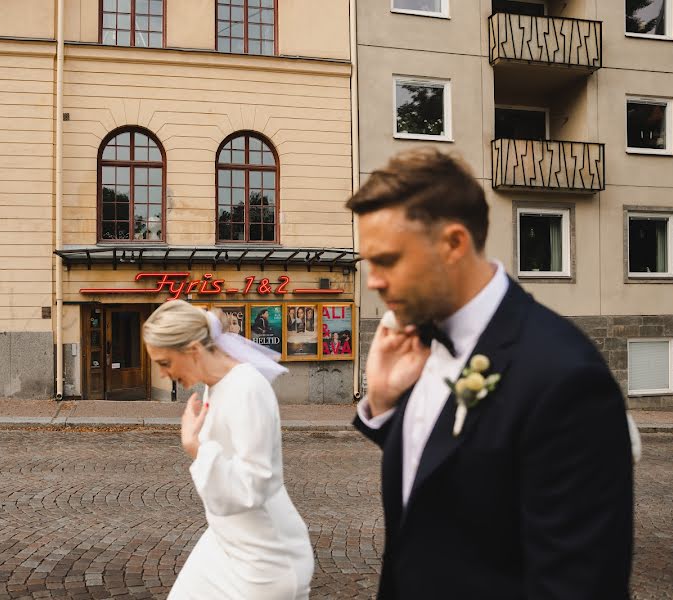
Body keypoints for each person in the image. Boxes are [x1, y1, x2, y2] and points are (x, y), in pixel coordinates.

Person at [349, 148, 633, 599]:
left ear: (454, 244)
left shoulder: (566, 377)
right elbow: (459, 474)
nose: (373, 281)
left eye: (387, 260)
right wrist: (383, 405)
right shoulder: (419, 340)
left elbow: (576, 585)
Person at [143, 300, 314, 600]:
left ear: (193, 351)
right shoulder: (214, 385)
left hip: (265, 559)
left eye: (165, 363)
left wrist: (196, 447)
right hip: (225, 542)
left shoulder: (247, 387)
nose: (163, 375)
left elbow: (254, 486)